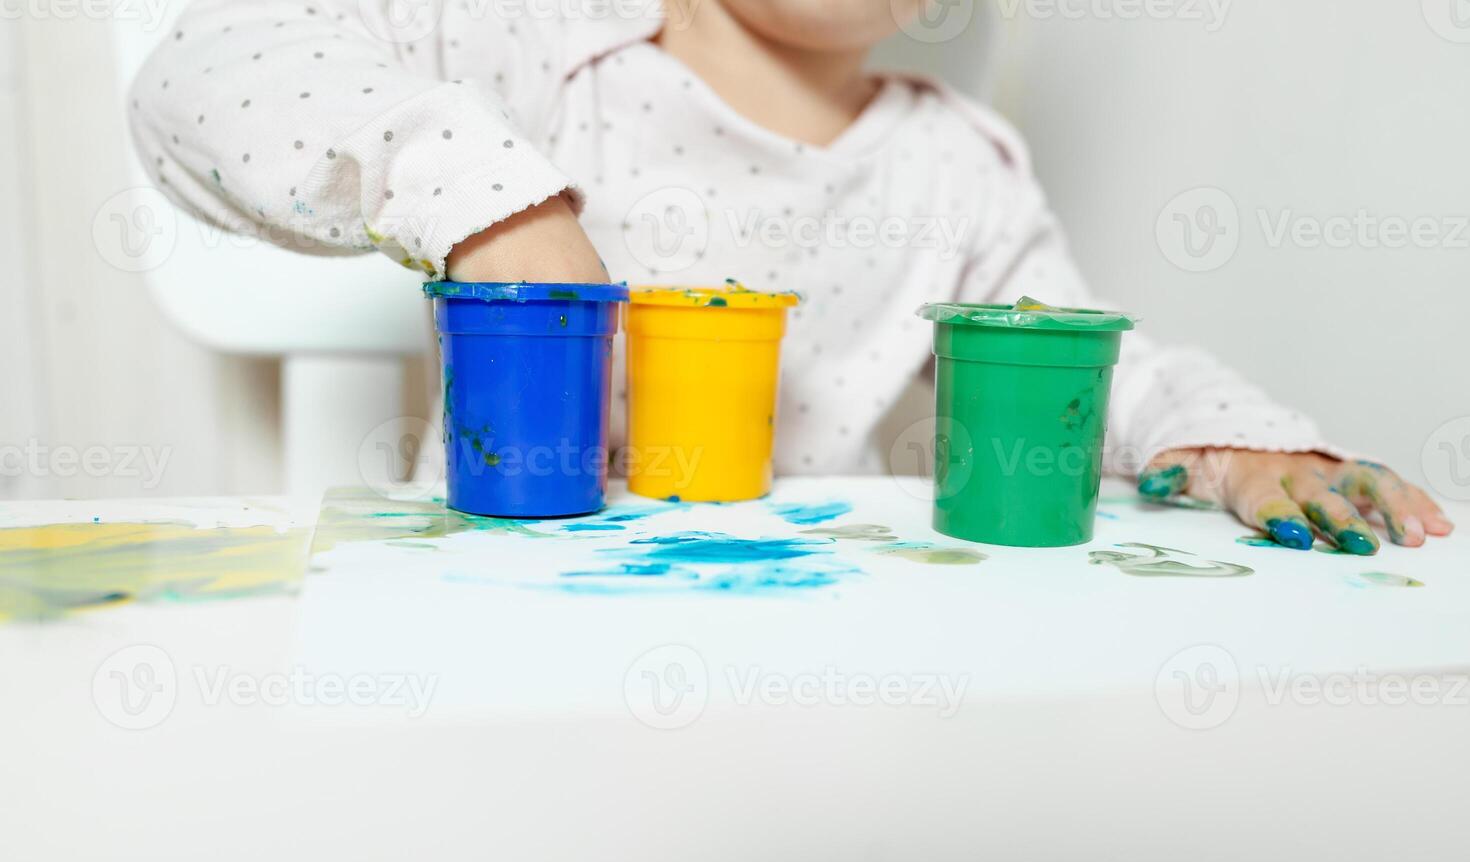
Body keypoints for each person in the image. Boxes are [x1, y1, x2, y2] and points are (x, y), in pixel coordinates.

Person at [130, 0, 1453, 553]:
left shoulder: (960, 168)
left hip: (810, 668)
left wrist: (1232, 450)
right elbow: (204, 73)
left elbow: (1092, 381)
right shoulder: (534, 51)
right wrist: (493, 208)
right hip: (505, 627)